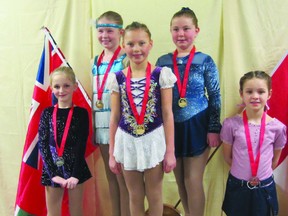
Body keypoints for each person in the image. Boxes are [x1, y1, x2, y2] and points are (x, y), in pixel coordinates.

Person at [156, 7, 221, 216]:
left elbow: (215, 96)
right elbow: (156, 98)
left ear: (197, 30)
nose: (181, 34)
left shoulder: (205, 61)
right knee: (181, 181)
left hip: (198, 126)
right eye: (176, 29)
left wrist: (213, 128)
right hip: (172, 128)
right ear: (170, 31)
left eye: (186, 28)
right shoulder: (163, 62)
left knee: (193, 180)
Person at [107, 21, 177, 216]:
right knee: (134, 195)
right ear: (123, 46)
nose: (136, 49)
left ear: (150, 44)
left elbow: (167, 113)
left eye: (141, 43)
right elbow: (114, 117)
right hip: (127, 141)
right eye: (130, 44)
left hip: (153, 139)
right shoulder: (118, 78)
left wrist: (170, 151)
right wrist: (112, 152)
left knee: (155, 194)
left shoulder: (161, 75)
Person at [221, 71, 287, 216]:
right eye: (249, 91)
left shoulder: (278, 128)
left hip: (265, 187)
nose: (255, 96)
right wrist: (242, 172)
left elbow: (274, 161)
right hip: (238, 186)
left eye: (261, 91)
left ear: (269, 94)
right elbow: (227, 157)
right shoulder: (230, 125)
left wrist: (260, 174)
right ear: (241, 93)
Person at [38, 66, 92, 216]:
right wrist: (53, 173)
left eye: (66, 86)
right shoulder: (47, 113)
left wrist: (75, 174)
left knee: (76, 211)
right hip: (52, 167)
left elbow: (82, 144)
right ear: (51, 88)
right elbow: (43, 145)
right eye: (57, 86)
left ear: (75, 87)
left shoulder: (81, 113)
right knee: (53, 212)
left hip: (75, 167)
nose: (61, 90)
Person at [92, 11, 130, 216]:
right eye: (100, 30)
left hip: (120, 127)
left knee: (125, 181)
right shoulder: (95, 61)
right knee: (111, 179)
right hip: (101, 126)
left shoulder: (125, 58)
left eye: (109, 30)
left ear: (121, 32)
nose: (104, 35)